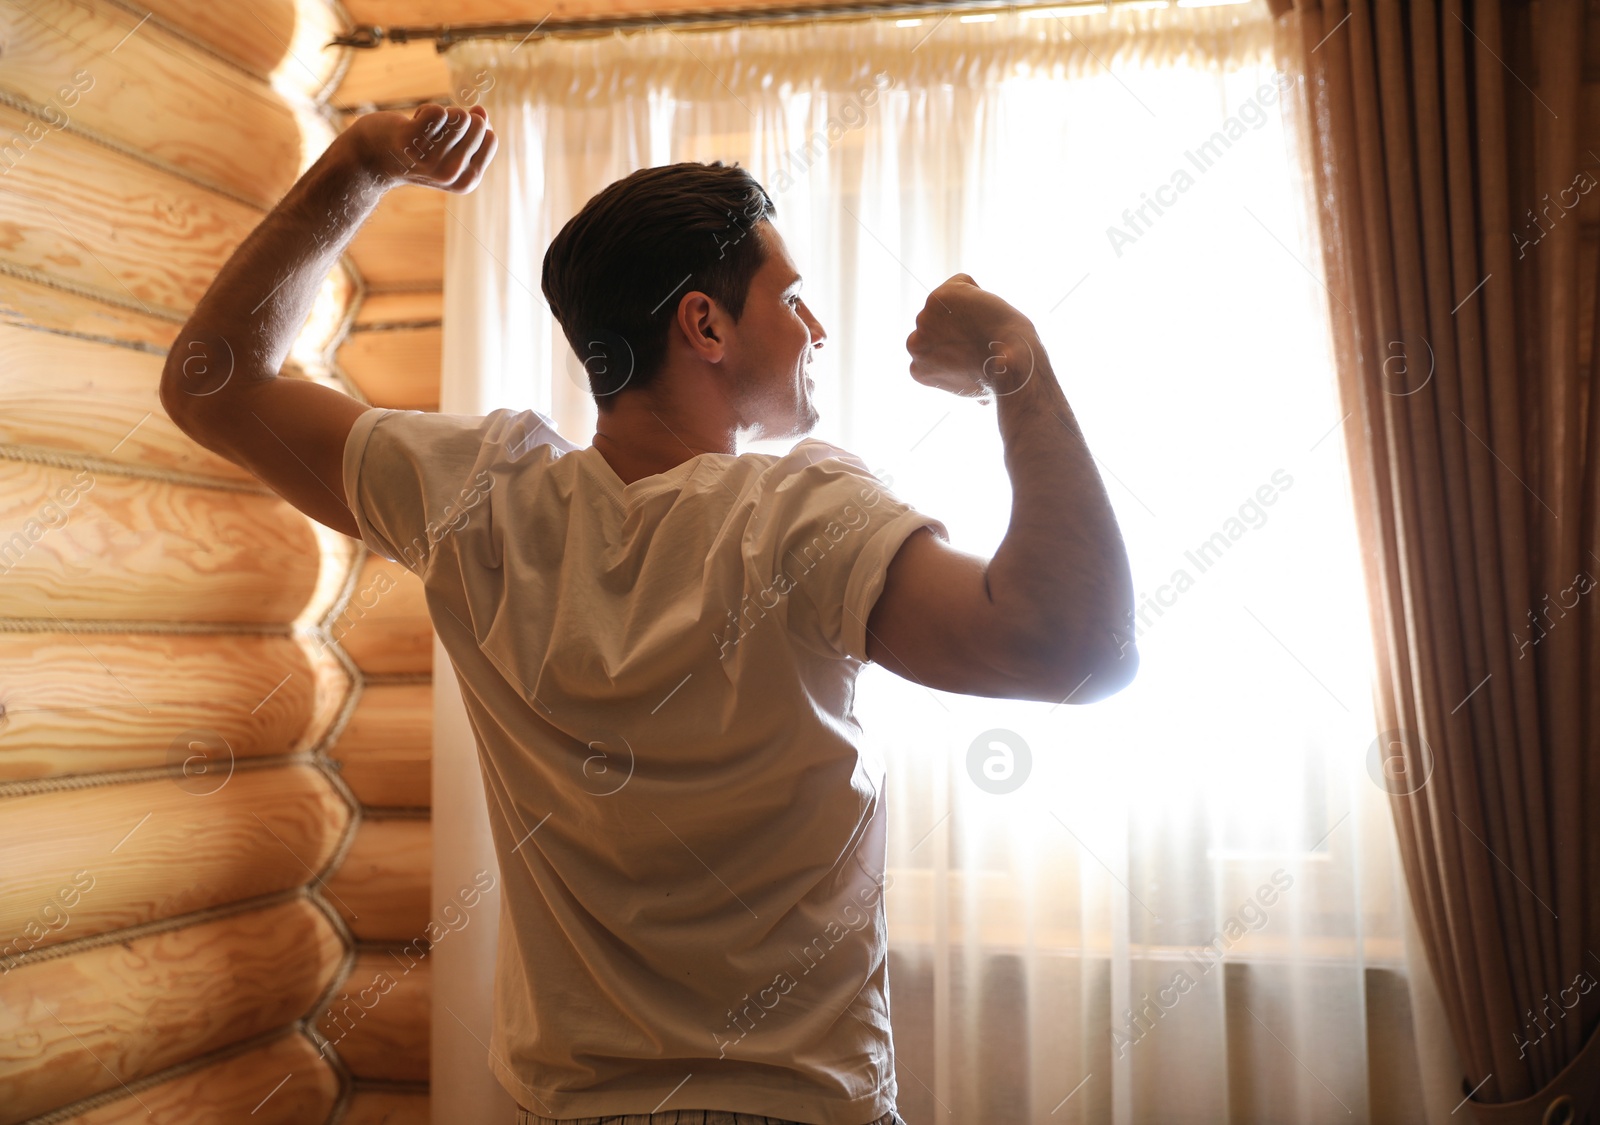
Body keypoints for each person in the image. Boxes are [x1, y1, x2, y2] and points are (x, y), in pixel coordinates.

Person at [160, 103, 1137, 1125]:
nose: (815, 328)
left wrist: (361, 163)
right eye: (791, 298)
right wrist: (1012, 359)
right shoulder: (797, 517)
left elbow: (211, 384)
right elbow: (1078, 649)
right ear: (703, 325)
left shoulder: (476, 497)